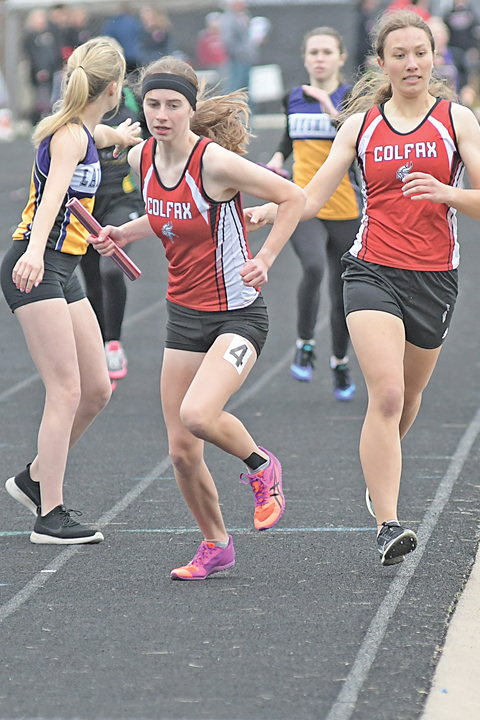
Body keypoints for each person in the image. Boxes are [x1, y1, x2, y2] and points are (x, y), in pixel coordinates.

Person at [247, 10, 480, 566]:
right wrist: (274, 208)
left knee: (407, 403)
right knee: (384, 395)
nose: (411, 63)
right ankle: (388, 523)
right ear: (381, 64)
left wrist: (445, 192)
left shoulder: (456, 120)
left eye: (420, 53)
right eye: (399, 54)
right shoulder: (361, 126)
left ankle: (377, 475)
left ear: (434, 58)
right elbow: (311, 197)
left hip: (435, 278)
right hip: (371, 269)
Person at [90, 56, 305, 580]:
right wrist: (126, 233)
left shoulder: (215, 163)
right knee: (183, 452)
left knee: (199, 415)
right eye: (154, 105)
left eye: (174, 106)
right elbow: (169, 214)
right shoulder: (142, 158)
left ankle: (261, 465)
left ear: (191, 109)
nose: (162, 115)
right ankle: (216, 545)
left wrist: (266, 258)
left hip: (238, 315)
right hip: (184, 317)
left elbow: (293, 196)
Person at [2, 38, 142, 544]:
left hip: (66, 267)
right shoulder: (68, 138)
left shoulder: (86, 128)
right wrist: (36, 254)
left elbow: (101, 133)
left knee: (98, 388)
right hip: (37, 265)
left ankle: (34, 477)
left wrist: (121, 137)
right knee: (65, 389)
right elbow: (51, 199)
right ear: (115, 87)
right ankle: (50, 514)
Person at [265, 27, 360, 401]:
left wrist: (331, 109)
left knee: (343, 293)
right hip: (302, 203)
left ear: (340, 57)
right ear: (305, 58)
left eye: (327, 52)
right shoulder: (294, 97)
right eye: (313, 52)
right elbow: (290, 136)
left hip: (345, 207)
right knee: (313, 267)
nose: (319, 58)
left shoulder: (352, 97)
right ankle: (305, 342)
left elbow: (357, 142)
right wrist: (277, 157)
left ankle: (339, 361)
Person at [80, 59, 145, 384]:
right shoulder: (76, 110)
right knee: (91, 280)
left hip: (123, 199)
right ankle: (101, 343)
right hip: (86, 205)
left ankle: (114, 343)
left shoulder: (134, 102)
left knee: (110, 268)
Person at [220, 0, 262, 94]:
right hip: (237, 58)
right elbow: (228, 39)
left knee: (245, 87)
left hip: (245, 58)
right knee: (236, 86)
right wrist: (239, 53)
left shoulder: (243, 16)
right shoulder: (229, 18)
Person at [443, 0, 478, 103]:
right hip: (454, 48)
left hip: (467, 48)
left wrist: (474, 48)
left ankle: (471, 98)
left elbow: (474, 31)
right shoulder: (450, 12)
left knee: (469, 72)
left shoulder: (470, 11)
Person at [355, 0, 380, 73]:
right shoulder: (362, 18)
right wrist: (368, 56)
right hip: (364, 57)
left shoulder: (368, 17)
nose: (375, 4)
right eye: (372, 2)